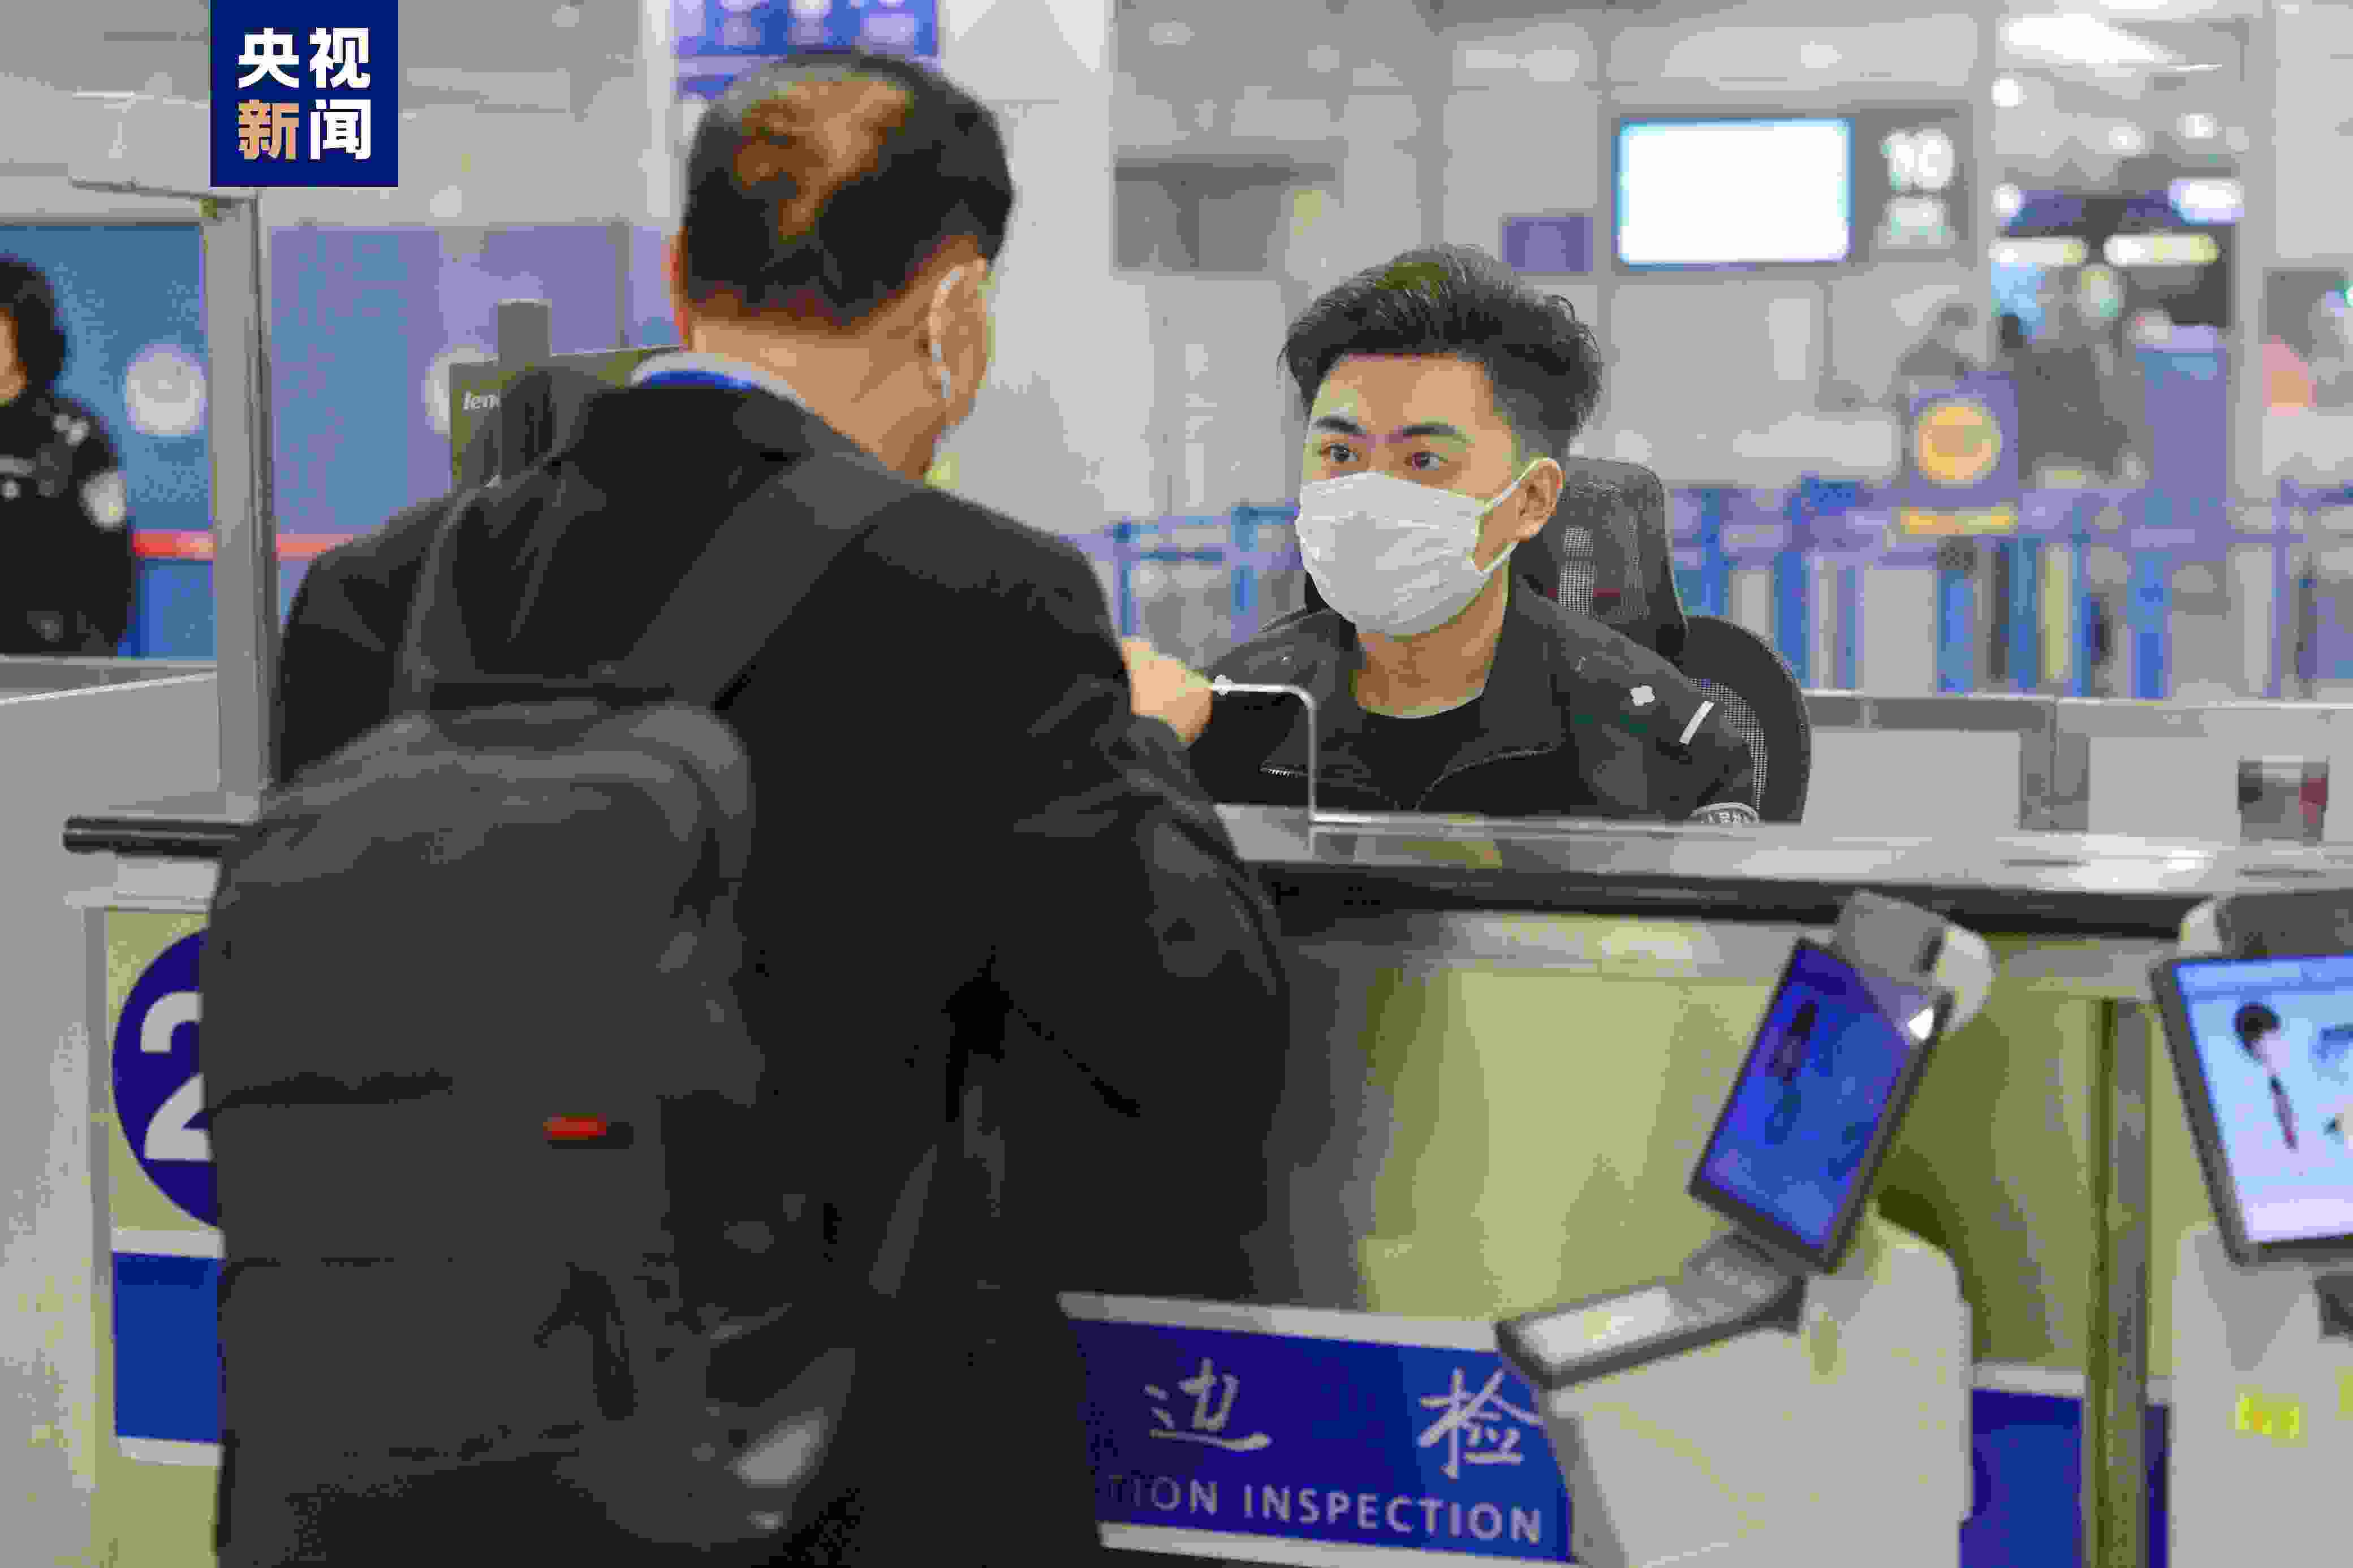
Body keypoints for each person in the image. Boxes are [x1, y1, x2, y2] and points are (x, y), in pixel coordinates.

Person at [238, 48, 1291, 1567]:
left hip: (398, 1471)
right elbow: (1189, 1054)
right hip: (823, 1493)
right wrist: (1142, 744)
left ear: (679, 278)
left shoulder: (376, 598)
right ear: (958, 315)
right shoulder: (980, 601)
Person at [1186, 246, 1759, 823]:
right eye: (1339, 453)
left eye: (1424, 460)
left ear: (1531, 500)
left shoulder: (1662, 745)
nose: (1367, 493)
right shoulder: (1228, 716)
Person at [0, 257, 136, 655]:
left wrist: (90, 662)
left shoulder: (76, 438)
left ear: (23, 330)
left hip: (50, 658)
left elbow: (112, 563)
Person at [2235, 1003, 2301, 1152]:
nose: (2280, 1042)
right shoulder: (2251, 1087)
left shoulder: (2277, 1074)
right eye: (2274, 1037)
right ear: (2255, 1044)